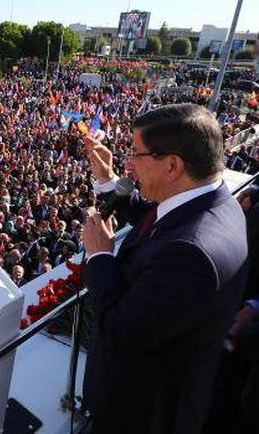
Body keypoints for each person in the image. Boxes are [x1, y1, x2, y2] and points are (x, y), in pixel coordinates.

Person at [81, 103, 249, 434]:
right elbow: (155, 217)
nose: (129, 163)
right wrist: (108, 181)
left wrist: (99, 257)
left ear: (172, 165)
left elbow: (121, 333)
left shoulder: (191, 254)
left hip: (142, 415)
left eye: (137, 154)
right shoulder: (212, 202)